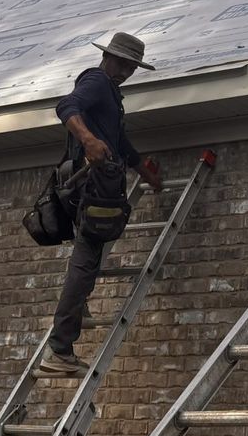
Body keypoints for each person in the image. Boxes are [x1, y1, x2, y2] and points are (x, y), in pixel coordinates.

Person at [40, 31, 163, 376]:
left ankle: (77, 311)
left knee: (89, 256)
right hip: (90, 184)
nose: (126, 70)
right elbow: (66, 106)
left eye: (131, 66)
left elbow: (119, 140)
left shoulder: (110, 92)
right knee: (84, 261)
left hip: (95, 183)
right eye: (122, 63)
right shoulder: (96, 80)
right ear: (109, 57)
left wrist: (144, 171)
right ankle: (60, 350)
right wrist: (89, 139)